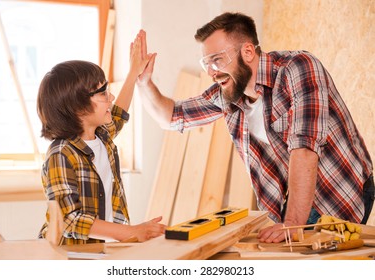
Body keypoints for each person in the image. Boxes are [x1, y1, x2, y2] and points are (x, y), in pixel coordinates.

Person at [136, 13, 374, 243]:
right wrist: (144, 83)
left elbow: (305, 149)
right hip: (296, 200)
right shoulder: (230, 94)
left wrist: (291, 224)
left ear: (248, 51)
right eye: (206, 63)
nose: (210, 72)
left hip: (340, 191)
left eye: (217, 60)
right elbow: (172, 117)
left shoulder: (298, 68)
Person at [37, 31, 165, 245]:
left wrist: (134, 72)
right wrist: (131, 232)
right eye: (103, 93)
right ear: (78, 107)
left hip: (99, 250)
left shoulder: (101, 137)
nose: (111, 97)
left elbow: (119, 114)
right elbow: (69, 220)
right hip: (67, 256)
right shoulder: (61, 155)